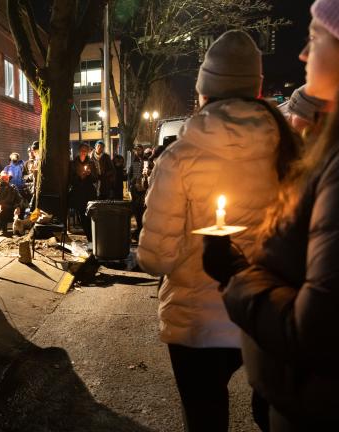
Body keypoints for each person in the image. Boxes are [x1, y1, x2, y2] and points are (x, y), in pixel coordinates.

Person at [138, 30, 299, 432]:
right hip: (269, 314)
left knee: (206, 419)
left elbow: (156, 257)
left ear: (204, 90)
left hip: (198, 323)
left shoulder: (178, 158)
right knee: (276, 417)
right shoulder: (293, 149)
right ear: (257, 87)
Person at [203, 2, 339, 429]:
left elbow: (315, 331)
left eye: (314, 38)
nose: (302, 54)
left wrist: (236, 273)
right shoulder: (291, 140)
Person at [69, 142, 98, 242]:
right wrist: (80, 177)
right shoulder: (73, 163)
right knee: (82, 216)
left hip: (89, 193)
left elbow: (95, 178)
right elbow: (70, 179)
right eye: (82, 150)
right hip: (78, 193)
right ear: (79, 151)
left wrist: (89, 175)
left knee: (90, 216)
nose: (84, 153)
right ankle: (89, 236)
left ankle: (92, 238)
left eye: (86, 151)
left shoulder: (91, 163)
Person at [128, 143, 148, 240]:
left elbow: (146, 173)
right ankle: (139, 229)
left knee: (142, 210)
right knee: (136, 210)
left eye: (139, 149)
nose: (137, 151)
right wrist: (131, 184)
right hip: (135, 190)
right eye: (136, 150)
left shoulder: (146, 160)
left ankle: (142, 230)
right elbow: (131, 175)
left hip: (143, 190)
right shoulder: (134, 161)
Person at [23, 141, 40, 208]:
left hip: (37, 188)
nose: (31, 153)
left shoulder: (39, 160)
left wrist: (34, 172)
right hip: (30, 188)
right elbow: (24, 176)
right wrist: (30, 176)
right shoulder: (26, 163)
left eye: (33, 151)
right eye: (29, 151)